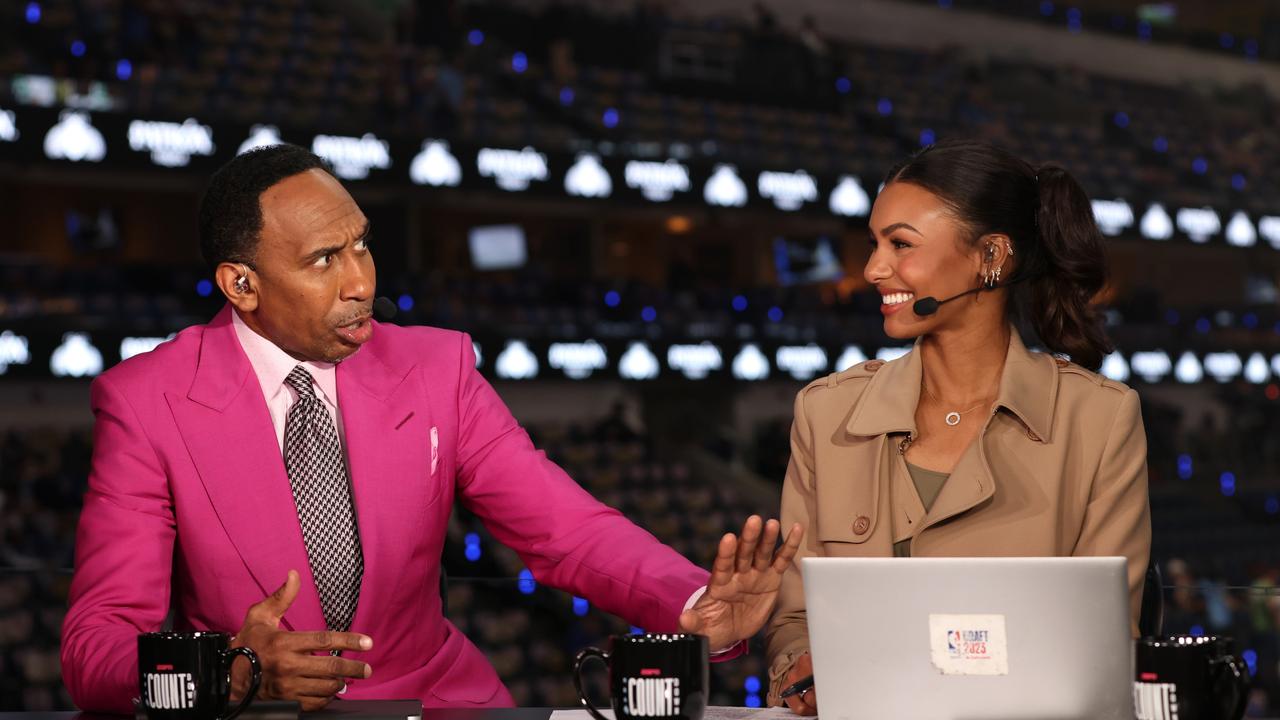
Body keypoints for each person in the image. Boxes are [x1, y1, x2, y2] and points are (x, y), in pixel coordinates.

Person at [60, 144, 802, 712]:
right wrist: (232, 671)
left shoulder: (437, 366)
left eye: (361, 244)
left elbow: (562, 529)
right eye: (325, 259)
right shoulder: (146, 400)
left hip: (436, 705)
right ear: (241, 284)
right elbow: (95, 649)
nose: (361, 282)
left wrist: (694, 604)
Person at [766, 140, 1151, 714]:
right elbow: (794, 620)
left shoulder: (1099, 418)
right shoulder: (826, 413)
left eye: (900, 244)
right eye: (874, 244)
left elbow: (1103, 645)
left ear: (991, 256)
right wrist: (798, 669)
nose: (873, 269)